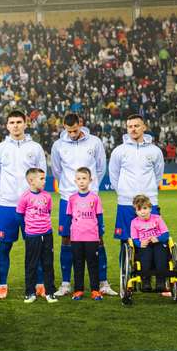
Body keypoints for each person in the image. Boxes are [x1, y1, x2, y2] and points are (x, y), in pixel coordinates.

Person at [50, 113, 114, 297]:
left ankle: (102, 283)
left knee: (98, 238)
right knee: (66, 238)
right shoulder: (58, 146)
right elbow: (57, 171)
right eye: (68, 130)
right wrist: (70, 189)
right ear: (63, 127)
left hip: (90, 199)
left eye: (75, 130)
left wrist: (91, 188)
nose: (72, 133)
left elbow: (101, 168)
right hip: (68, 198)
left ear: (81, 125)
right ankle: (65, 283)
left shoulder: (94, 142)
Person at [0, 110, 47, 299]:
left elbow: (41, 174)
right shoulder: (0, 148)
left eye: (19, 122)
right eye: (12, 122)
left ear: (25, 123)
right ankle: (3, 286)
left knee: (35, 248)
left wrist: (30, 196)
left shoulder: (35, 147)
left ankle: (39, 284)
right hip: (7, 205)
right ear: (7, 125)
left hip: (32, 207)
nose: (15, 125)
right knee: (4, 246)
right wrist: (7, 193)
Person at [109, 115, 165, 291]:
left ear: (144, 127)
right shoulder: (119, 150)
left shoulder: (155, 151)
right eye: (129, 126)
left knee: (153, 241)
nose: (133, 129)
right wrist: (125, 194)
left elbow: (158, 175)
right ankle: (128, 277)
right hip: (126, 203)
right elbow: (114, 175)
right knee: (126, 241)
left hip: (150, 203)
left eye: (136, 126)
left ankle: (151, 279)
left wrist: (147, 196)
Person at [16, 168, 58, 304]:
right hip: (32, 236)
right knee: (31, 264)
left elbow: (48, 212)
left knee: (48, 264)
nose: (44, 181)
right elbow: (19, 216)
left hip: (47, 234)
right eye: (41, 179)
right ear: (31, 181)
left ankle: (50, 292)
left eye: (44, 178)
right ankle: (30, 293)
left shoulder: (47, 196)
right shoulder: (25, 197)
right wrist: (29, 230)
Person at [66, 167, 104, 301]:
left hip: (92, 237)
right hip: (76, 237)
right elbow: (69, 217)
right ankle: (78, 290)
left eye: (84, 178)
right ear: (75, 181)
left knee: (93, 264)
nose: (81, 181)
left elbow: (99, 217)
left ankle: (95, 290)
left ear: (90, 180)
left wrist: (100, 232)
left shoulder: (95, 198)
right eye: (79, 179)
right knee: (78, 264)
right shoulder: (72, 198)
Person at [129, 194, 173, 296]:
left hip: (158, 243)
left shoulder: (157, 218)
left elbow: (166, 234)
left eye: (145, 208)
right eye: (139, 209)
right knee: (146, 256)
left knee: (161, 255)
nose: (143, 211)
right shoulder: (134, 222)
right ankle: (146, 281)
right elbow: (134, 238)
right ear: (136, 211)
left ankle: (160, 282)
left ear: (150, 208)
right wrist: (140, 243)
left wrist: (157, 239)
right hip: (144, 245)